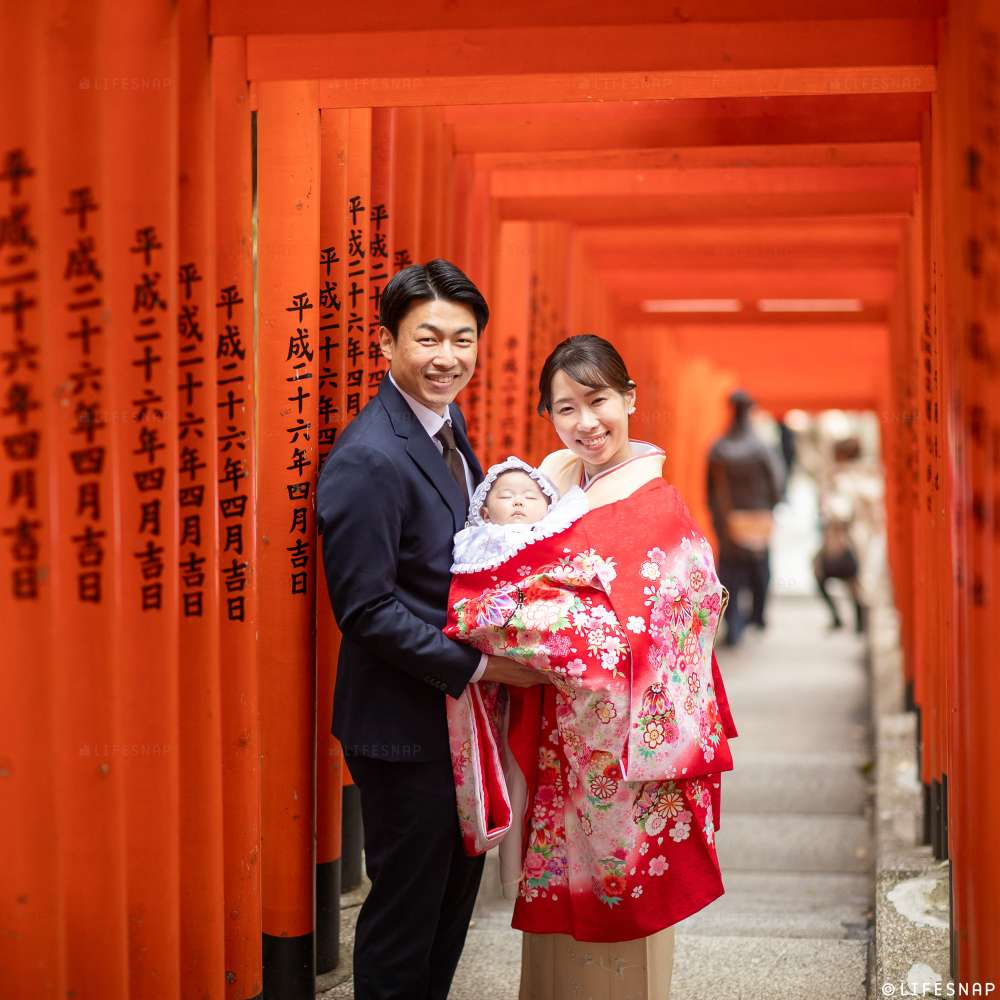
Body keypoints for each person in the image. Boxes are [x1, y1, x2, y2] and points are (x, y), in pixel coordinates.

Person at [463, 334, 738, 1000]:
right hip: (563, 744)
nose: (586, 422)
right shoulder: (549, 494)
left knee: (624, 913)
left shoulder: (657, 510)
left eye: (599, 400)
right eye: (566, 409)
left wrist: (527, 635)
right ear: (549, 417)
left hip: (626, 756)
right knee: (555, 922)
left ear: (629, 399)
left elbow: (681, 618)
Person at [316, 260, 543, 1000]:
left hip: (455, 720)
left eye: (463, 339)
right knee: (405, 919)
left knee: (450, 909)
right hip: (402, 724)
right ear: (386, 344)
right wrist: (482, 668)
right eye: (427, 338)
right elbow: (365, 608)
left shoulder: (448, 427)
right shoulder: (369, 457)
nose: (448, 357)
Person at [706, 389, 785, 645]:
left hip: (729, 517)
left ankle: (735, 625)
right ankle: (758, 615)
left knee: (730, 572)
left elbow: (709, 487)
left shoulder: (719, 448)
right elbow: (777, 482)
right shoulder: (761, 447)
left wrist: (717, 515)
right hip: (758, 515)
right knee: (760, 567)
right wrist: (770, 505)